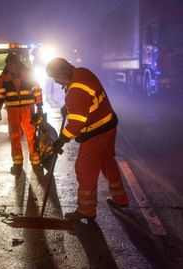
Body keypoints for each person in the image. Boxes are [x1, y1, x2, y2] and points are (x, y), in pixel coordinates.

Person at [46, 57, 129, 220]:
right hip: (108, 124)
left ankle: (86, 210)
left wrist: (60, 140)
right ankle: (121, 199)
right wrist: (67, 108)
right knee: (107, 162)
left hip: (96, 131)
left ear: (63, 74)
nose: (55, 82)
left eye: (55, 78)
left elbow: (76, 125)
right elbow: (86, 100)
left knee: (84, 168)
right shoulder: (82, 72)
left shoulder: (76, 91)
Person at [0, 52, 43, 175]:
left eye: (12, 64)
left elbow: (36, 90)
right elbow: (0, 94)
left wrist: (39, 106)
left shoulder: (28, 74)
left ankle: (36, 162)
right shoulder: (3, 77)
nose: (10, 66)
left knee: (31, 135)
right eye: (8, 64)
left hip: (27, 108)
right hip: (12, 110)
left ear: (17, 63)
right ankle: (17, 163)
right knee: (14, 136)